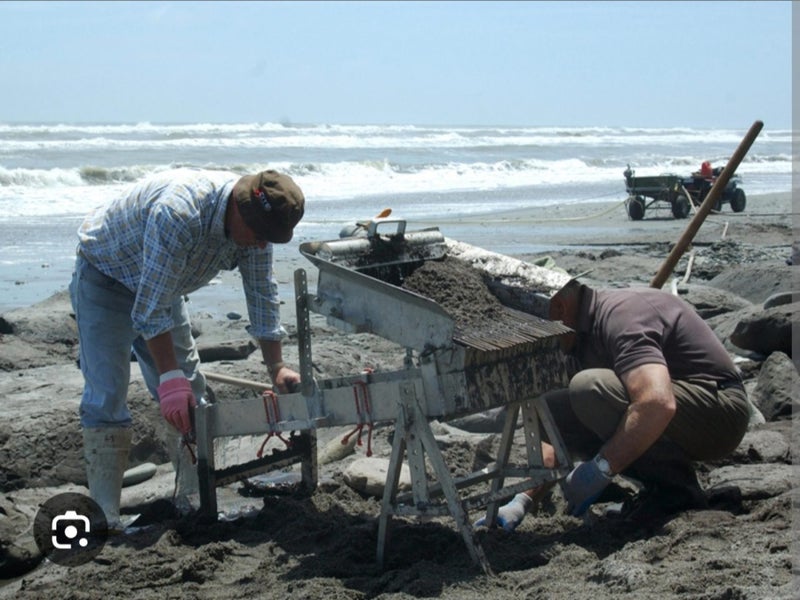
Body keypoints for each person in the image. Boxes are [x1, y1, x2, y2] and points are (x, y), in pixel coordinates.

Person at [69, 167, 304, 529]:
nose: (261, 244)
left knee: (195, 396)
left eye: (269, 239)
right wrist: (169, 379)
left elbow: (261, 294)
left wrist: (277, 367)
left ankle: (196, 502)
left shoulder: (258, 230)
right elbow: (150, 310)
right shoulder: (179, 214)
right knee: (107, 393)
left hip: (165, 284)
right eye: (259, 236)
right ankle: (105, 517)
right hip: (106, 276)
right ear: (239, 210)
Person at [477, 276, 751, 531]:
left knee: (590, 389)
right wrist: (523, 501)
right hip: (679, 412)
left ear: (559, 308)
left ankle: (677, 493)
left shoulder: (621, 316)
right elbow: (556, 435)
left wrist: (599, 471)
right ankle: (654, 488)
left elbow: (657, 403)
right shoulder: (576, 334)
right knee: (552, 406)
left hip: (719, 412)